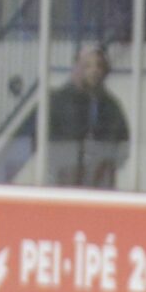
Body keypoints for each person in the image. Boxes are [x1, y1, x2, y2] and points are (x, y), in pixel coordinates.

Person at [45, 45, 130, 188]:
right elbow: (45, 139)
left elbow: (122, 142)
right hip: (66, 181)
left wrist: (107, 163)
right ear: (76, 68)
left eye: (99, 66)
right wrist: (64, 163)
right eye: (87, 66)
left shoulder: (111, 105)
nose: (94, 70)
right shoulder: (59, 101)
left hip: (100, 182)